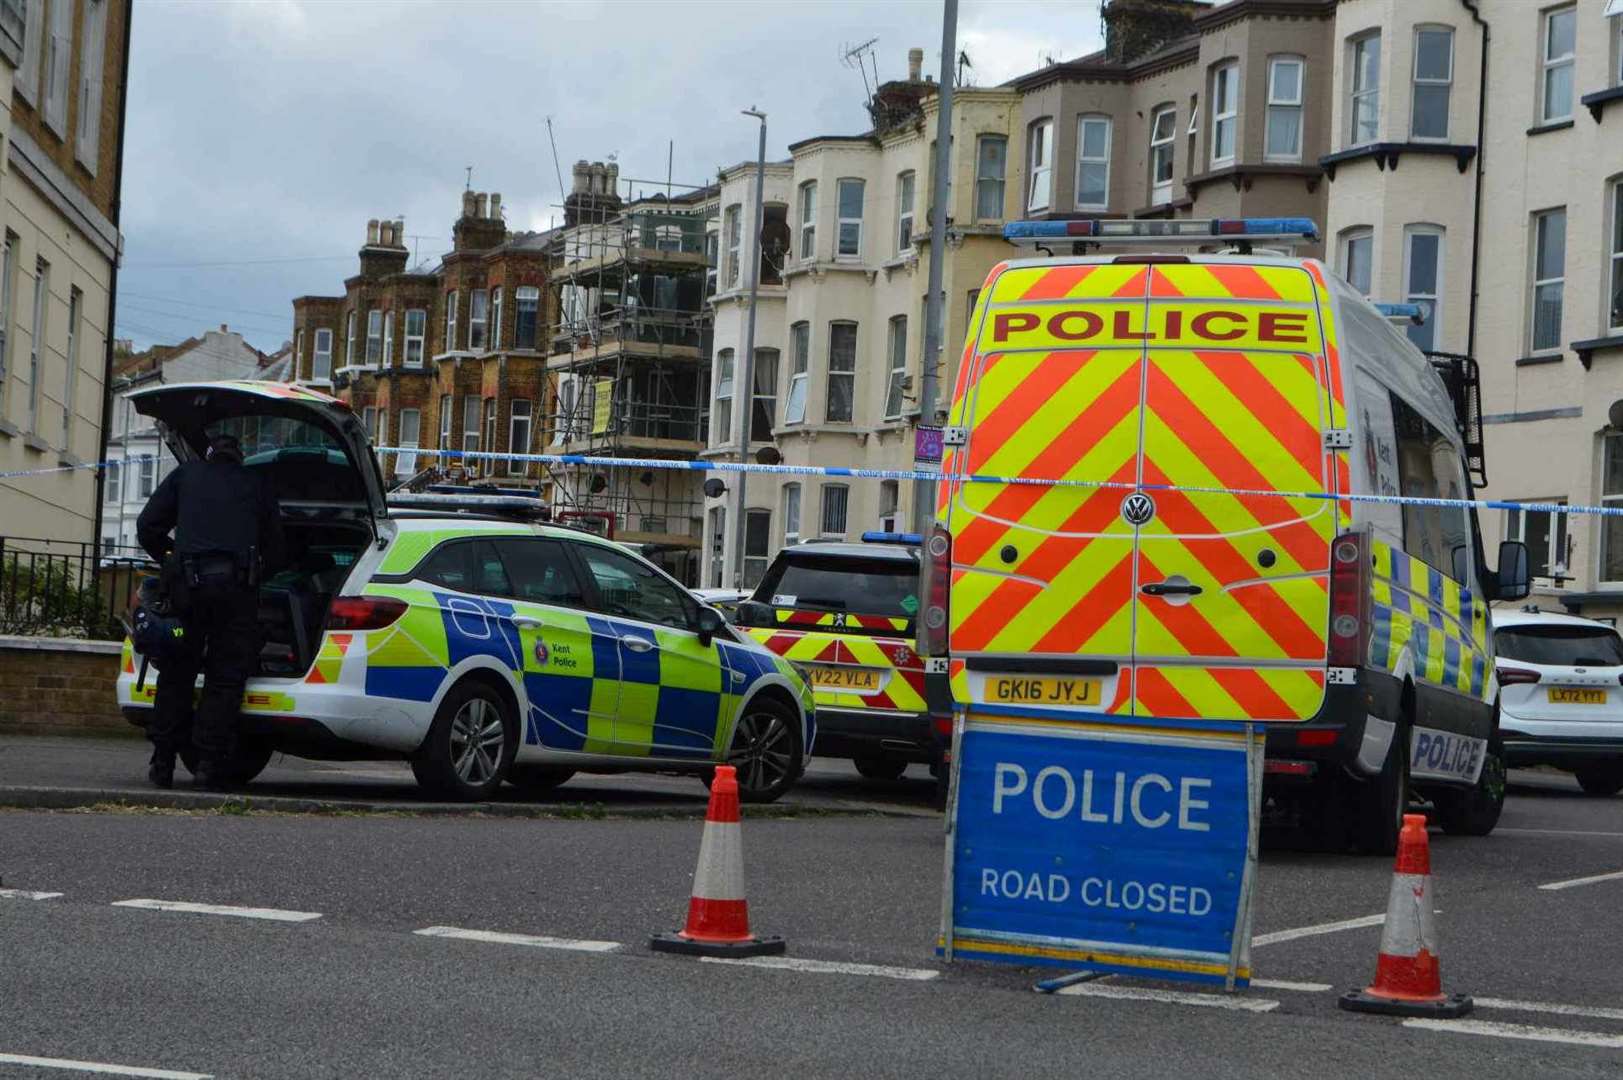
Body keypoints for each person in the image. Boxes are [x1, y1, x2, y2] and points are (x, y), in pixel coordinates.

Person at [136, 432, 285, 790]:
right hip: (235, 593)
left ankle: (163, 761)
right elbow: (277, 547)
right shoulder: (256, 483)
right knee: (225, 678)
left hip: (187, 589)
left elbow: (147, 527)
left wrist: (172, 559)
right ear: (241, 457)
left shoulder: (186, 475)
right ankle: (207, 763)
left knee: (176, 673)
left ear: (208, 454)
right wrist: (256, 573)